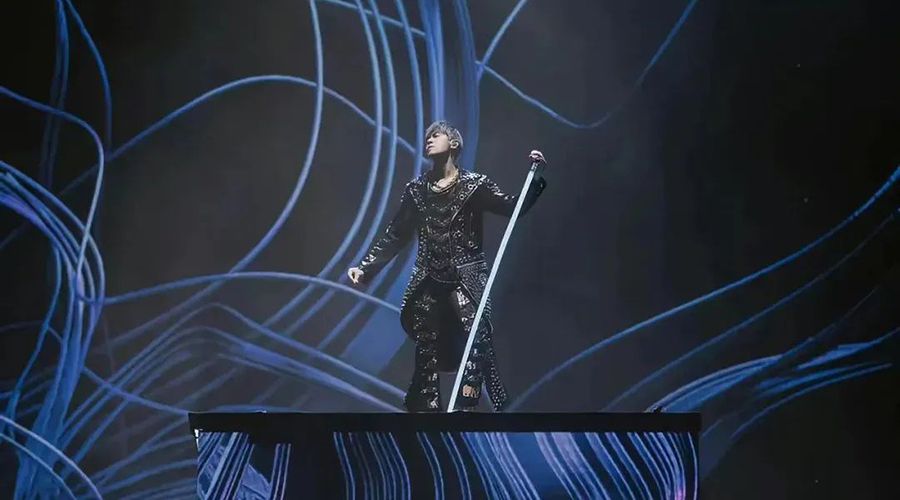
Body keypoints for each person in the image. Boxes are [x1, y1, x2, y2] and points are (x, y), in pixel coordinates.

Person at [348, 120, 547, 412]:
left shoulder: (474, 185)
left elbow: (511, 207)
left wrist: (534, 180)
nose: (428, 139)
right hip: (428, 277)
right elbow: (396, 233)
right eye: (427, 136)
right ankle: (426, 408)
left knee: (476, 337)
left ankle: (473, 405)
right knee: (426, 343)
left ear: (453, 144)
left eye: (436, 135)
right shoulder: (416, 190)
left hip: (466, 275)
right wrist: (366, 268)